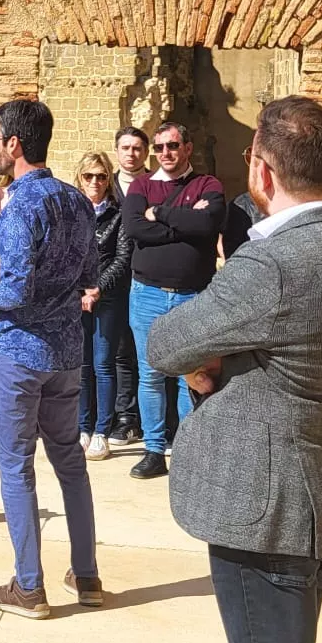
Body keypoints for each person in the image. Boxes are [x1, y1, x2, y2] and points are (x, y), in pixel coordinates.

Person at [146, 96, 322, 643]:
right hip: (320, 495)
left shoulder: (273, 262)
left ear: (262, 170)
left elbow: (165, 343)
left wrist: (206, 363)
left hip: (265, 512)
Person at [0, 99, 99, 619]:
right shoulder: (78, 201)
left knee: (16, 466)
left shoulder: (18, 203)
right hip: (67, 350)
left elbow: (12, 293)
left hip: (19, 351)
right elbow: (88, 277)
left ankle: (28, 587)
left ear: (14, 144)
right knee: (70, 462)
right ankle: (87, 574)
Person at [123, 121, 227, 480]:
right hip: (147, 294)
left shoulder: (208, 185)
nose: (165, 153)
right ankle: (154, 451)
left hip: (193, 297)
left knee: (191, 376)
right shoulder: (141, 185)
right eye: (159, 147)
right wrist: (186, 221)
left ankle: (187, 450)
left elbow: (208, 226)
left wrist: (162, 214)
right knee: (150, 374)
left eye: (172, 145)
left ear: (187, 148)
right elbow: (135, 228)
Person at [78, 152, 131, 462]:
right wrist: (79, 289)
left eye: (100, 176)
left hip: (107, 297)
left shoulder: (118, 213)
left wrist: (97, 288)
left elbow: (122, 257)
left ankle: (102, 431)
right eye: (89, 176)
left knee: (103, 364)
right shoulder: (74, 211)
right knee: (81, 367)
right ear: (80, 178)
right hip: (76, 297)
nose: (95, 182)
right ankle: (82, 428)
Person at [107, 127, 148, 442]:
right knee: (118, 352)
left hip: (146, 276)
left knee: (146, 352)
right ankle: (124, 416)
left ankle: (150, 421)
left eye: (136, 148)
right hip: (110, 281)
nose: (131, 153)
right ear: (116, 151)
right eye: (125, 147)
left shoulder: (156, 186)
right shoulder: (106, 187)